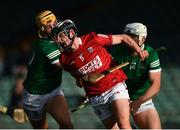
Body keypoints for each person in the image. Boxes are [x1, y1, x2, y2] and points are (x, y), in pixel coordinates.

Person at [50, 19, 148, 129]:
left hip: (115, 87)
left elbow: (123, 38)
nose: (59, 40)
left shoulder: (92, 39)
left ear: (71, 32)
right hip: (95, 97)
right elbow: (74, 72)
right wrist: (79, 80)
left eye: (61, 36)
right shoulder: (64, 59)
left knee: (123, 125)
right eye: (56, 38)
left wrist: (138, 50)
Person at [22, 10, 73, 129]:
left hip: (53, 91)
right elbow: (64, 65)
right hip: (34, 95)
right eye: (49, 26)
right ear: (42, 29)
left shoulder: (59, 38)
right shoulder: (44, 45)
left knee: (67, 125)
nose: (54, 27)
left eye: (55, 23)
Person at [108, 22, 161, 129]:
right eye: (126, 36)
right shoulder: (116, 53)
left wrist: (138, 102)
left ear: (142, 38)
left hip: (141, 99)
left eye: (132, 37)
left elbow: (156, 85)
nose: (128, 40)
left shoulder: (151, 54)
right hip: (118, 97)